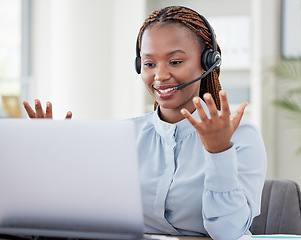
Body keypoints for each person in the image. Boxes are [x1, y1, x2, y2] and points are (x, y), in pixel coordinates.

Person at [23, 6, 267, 240]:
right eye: (149, 64)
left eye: (175, 62)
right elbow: (85, 216)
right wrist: (51, 160)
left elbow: (228, 232)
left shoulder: (241, 137)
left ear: (208, 62)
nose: (160, 76)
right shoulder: (123, 136)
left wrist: (218, 152)